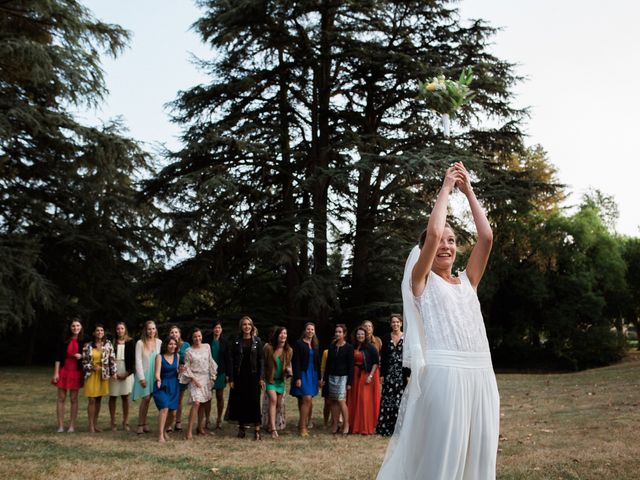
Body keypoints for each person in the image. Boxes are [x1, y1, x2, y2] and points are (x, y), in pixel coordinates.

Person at [377, 162, 499, 480]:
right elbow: (432, 233)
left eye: (452, 240)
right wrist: (446, 188)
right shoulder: (422, 282)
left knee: (480, 454)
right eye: (441, 241)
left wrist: (468, 190)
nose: (445, 244)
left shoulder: (469, 280)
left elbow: (486, 237)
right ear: (426, 251)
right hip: (444, 375)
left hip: (481, 373)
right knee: (444, 456)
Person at [225, 316, 265, 440]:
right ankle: (241, 428)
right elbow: (231, 361)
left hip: (253, 376)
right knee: (240, 401)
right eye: (244, 324)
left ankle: (257, 430)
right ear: (241, 327)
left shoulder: (257, 341)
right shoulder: (236, 342)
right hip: (239, 376)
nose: (247, 326)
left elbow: (261, 360)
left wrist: (261, 377)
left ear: (252, 327)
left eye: (249, 324)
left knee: (254, 401)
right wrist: (231, 378)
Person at [376, 314, 410, 436]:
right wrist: (382, 374)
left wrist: (408, 374)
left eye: (397, 322)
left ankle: (400, 428)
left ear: (401, 323)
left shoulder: (407, 337)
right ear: (390, 324)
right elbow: (384, 357)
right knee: (387, 399)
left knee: (400, 400)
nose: (395, 324)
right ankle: (386, 427)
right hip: (389, 373)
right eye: (393, 322)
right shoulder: (386, 337)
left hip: (401, 374)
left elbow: (409, 357)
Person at [181, 328, 217, 440]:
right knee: (196, 402)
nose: (197, 338)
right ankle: (189, 431)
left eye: (199, 336)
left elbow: (210, 361)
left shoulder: (207, 347)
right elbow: (186, 368)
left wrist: (212, 377)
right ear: (192, 338)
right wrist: (194, 379)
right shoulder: (188, 351)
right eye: (195, 336)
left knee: (203, 403)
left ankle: (200, 428)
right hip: (194, 379)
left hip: (206, 378)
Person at [52, 318, 86, 433]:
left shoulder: (85, 340)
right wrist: (56, 373)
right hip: (63, 369)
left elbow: (90, 355)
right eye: (73, 326)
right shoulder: (64, 340)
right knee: (61, 398)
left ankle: (72, 426)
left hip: (76, 371)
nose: (75, 328)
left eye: (77, 326)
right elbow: (57, 357)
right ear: (70, 327)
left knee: (74, 399)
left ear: (81, 327)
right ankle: (60, 426)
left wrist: (82, 356)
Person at [82, 324, 117, 433]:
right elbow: (83, 362)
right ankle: (91, 425)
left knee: (98, 400)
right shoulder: (87, 346)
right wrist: (91, 366)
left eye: (102, 330)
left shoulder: (108, 345)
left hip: (103, 375)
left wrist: (114, 372)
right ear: (94, 333)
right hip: (91, 375)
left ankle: (95, 424)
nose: (100, 332)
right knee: (92, 399)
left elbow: (112, 359)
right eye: (97, 330)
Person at [347, 326, 380, 435]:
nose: (360, 336)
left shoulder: (370, 347)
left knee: (363, 401)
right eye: (358, 334)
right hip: (354, 376)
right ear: (355, 335)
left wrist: (370, 376)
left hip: (365, 375)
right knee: (354, 400)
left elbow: (376, 362)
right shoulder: (353, 346)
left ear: (365, 336)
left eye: (362, 334)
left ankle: (365, 427)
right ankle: (353, 426)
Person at [291, 322, 321, 437]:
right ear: (305, 330)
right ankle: (303, 428)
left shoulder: (315, 344)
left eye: (312, 330)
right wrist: (297, 377)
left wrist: (319, 378)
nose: (310, 331)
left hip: (313, 374)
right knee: (306, 398)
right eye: (308, 329)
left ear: (314, 332)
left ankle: (302, 423)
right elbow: (296, 361)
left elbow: (317, 363)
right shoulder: (299, 344)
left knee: (305, 399)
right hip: (303, 373)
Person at [323, 324, 354, 435]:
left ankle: (346, 424)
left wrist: (349, 382)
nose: (337, 334)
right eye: (336, 331)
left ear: (344, 334)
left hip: (343, 377)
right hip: (331, 377)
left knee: (341, 401)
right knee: (333, 401)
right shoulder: (331, 346)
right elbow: (328, 364)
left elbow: (351, 366)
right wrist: (325, 378)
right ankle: (335, 424)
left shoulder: (349, 347)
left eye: (340, 332)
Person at [132, 320, 162, 435]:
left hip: (155, 374)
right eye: (149, 329)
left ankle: (144, 423)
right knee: (146, 399)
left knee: (150, 399)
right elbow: (138, 361)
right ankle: (140, 424)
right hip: (144, 374)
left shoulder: (159, 342)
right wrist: (141, 378)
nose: (151, 331)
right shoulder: (140, 343)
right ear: (145, 330)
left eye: (153, 328)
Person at [262, 326, 292, 439]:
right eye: (281, 333)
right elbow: (263, 363)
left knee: (278, 404)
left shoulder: (289, 350)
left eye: (285, 333)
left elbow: (288, 365)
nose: (283, 335)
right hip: (270, 380)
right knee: (273, 400)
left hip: (280, 381)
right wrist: (261, 378)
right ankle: (274, 429)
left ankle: (270, 424)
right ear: (277, 335)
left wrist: (288, 371)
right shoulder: (268, 348)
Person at [203, 320, 231, 430]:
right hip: (208, 373)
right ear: (212, 329)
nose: (217, 329)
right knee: (208, 397)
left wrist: (229, 374)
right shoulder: (206, 341)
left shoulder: (225, 342)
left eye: (219, 327)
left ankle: (219, 420)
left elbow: (228, 359)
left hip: (221, 372)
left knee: (220, 396)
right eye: (215, 327)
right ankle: (207, 419)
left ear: (221, 329)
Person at [152, 336, 180, 443]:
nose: (172, 346)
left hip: (174, 385)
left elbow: (176, 371)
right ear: (166, 345)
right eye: (170, 344)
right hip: (162, 385)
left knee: (173, 413)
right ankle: (160, 435)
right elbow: (157, 373)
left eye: (174, 344)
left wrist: (180, 371)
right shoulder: (159, 357)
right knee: (164, 409)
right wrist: (158, 380)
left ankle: (164, 430)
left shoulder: (177, 356)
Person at [108, 321, 135, 432]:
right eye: (118, 328)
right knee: (113, 396)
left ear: (125, 330)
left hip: (126, 370)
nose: (120, 330)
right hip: (114, 371)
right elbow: (107, 358)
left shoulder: (131, 342)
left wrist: (127, 373)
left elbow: (134, 359)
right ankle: (113, 421)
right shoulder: (111, 342)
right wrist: (112, 372)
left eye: (122, 328)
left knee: (125, 397)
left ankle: (125, 421)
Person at [168, 325, 189, 432]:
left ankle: (178, 422)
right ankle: (169, 423)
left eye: (176, 332)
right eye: (172, 332)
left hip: (182, 376)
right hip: (170, 375)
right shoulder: (168, 345)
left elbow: (190, 359)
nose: (174, 334)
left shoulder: (186, 345)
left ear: (180, 334)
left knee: (179, 400)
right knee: (171, 399)